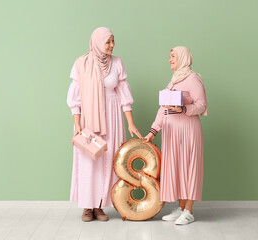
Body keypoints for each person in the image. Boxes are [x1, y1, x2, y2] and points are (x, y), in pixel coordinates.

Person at [67, 27, 142, 222]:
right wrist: (77, 125)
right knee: (88, 161)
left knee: (108, 160)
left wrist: (130, 123)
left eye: (113, 41)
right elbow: (75, 98)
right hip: (88, 121)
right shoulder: (81, 63)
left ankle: (100, 206)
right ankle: (86, 206)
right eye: (108, 42)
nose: (112, 45)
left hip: (112, 117)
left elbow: (124, 94)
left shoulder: (117, 63)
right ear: (98, 42)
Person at [144, 46, 207, 225]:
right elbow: (163, 109)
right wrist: (152, 131)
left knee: (188, 168)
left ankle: (189, 211)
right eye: (170, 56)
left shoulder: (193, 79)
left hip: (187, 131)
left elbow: (201, 105)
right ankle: (180, 208)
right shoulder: (173, 81)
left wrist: (184, 109)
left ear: (183, 58)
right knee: (178, 169)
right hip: (172, 133)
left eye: (173, 56)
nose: (170, 59)